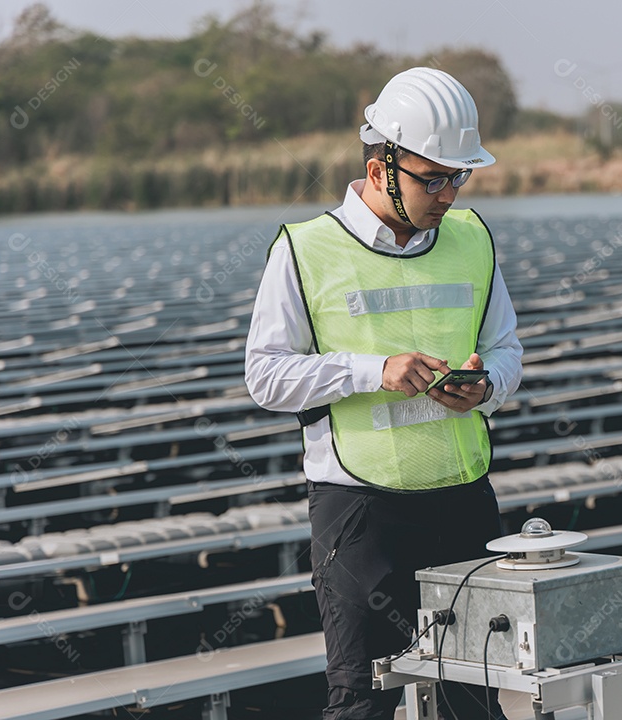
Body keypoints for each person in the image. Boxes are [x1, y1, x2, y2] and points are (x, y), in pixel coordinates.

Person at [245, 66, 522, 720]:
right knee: (363, 699)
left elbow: (507, 350)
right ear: (380, 170)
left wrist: (486, 387)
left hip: (462, 498)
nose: (450, 194)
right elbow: (266, 375)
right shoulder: (306, 250)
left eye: (460, 176)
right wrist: (374, 371)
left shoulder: (473, 240)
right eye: (435, 178)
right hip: (359, 512)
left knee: (475, 691)